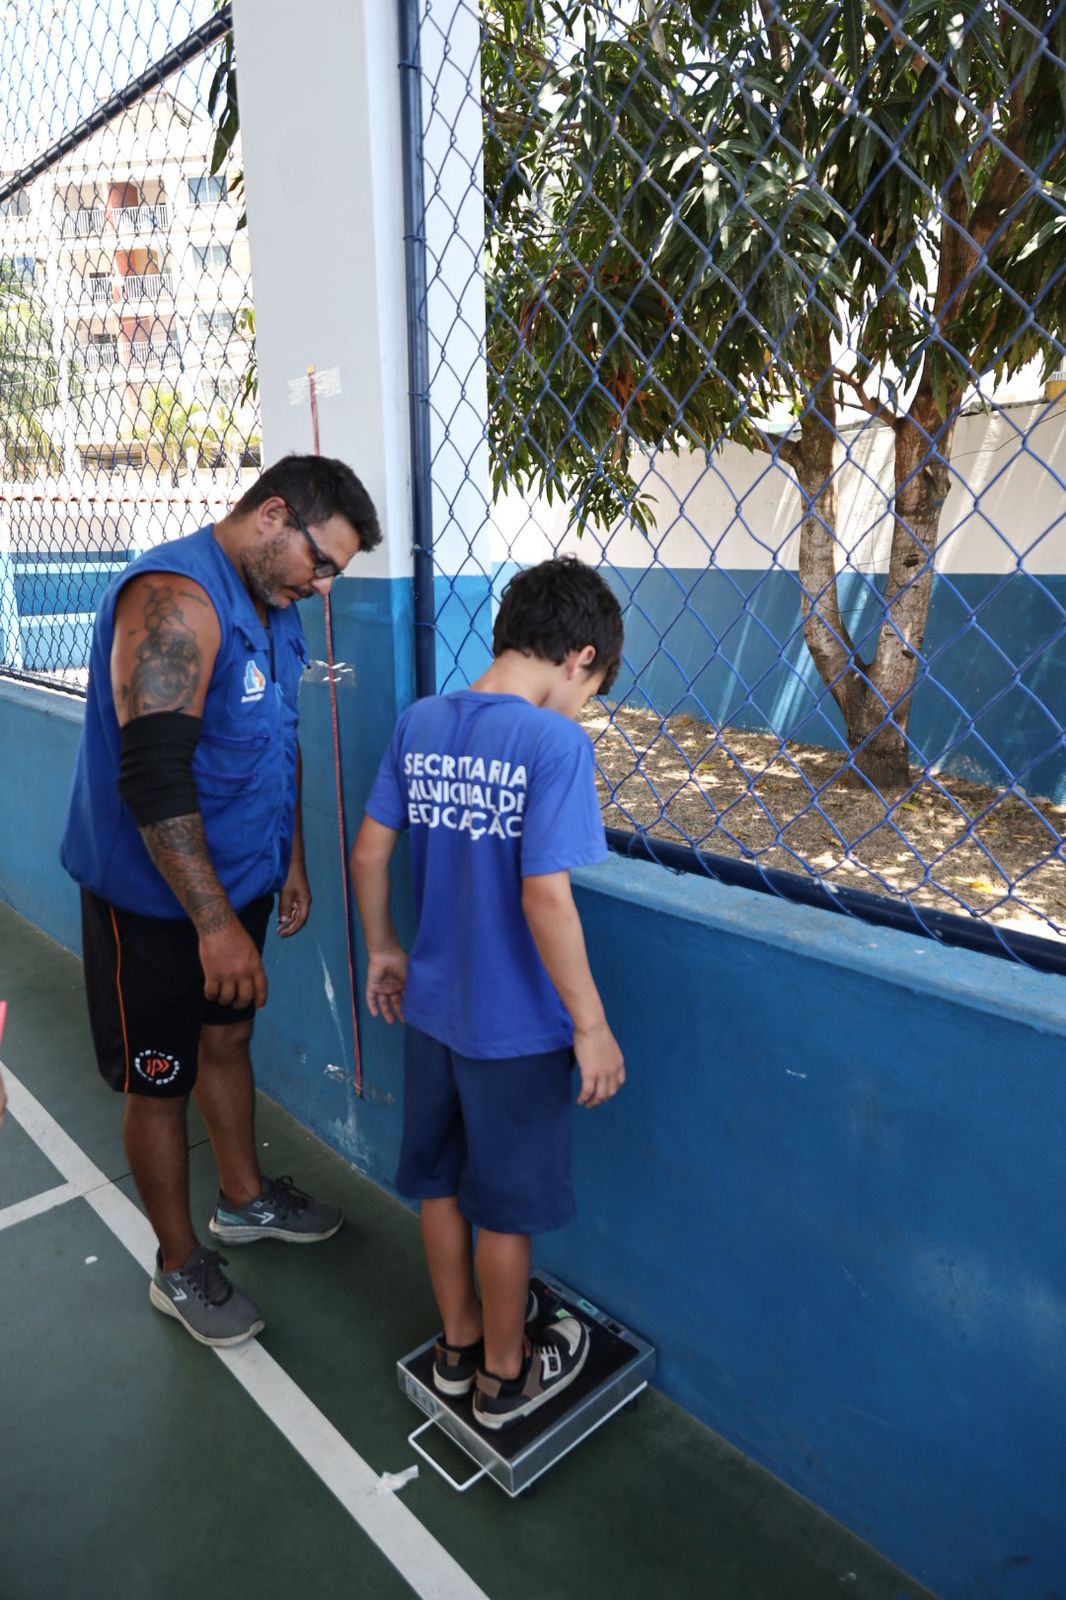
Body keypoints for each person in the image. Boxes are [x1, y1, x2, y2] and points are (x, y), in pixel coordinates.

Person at [60, 455, 381, 1347]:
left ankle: (244, 1200)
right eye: (320, 562)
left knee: (228, 1037)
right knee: (158, 1078)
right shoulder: (174, 600)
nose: (322, 586)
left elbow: (281, 737)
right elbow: (155, 779)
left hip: (238, 881)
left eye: (335, 576)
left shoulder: (274, 608)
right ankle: (176, 1263)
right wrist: (211, 926)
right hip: (153, 903)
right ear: (273, 515)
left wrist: (291, 863)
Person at [351, 555, 626, 1429]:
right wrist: (592, 1025)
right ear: (578, 657)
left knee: (441, 1185)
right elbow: (545, 895)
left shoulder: (421, 720)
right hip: (514, 1032)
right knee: (503, 1207)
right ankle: (508, 1377)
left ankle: (459, 1343)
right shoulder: (554, 744)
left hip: (430, 1011)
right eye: (594, 685)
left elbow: (367, 853)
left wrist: (385, 948)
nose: (586, 704)